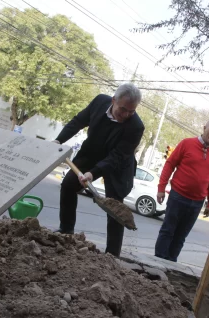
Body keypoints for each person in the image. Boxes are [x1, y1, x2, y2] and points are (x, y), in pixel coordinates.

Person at [53, 83, 144, 257]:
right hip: (92, 153)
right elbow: (78, 121)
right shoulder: (99, 102)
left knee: (114, 207)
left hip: (118, 165)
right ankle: (66, 231)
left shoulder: (136, 127)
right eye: (123, 109)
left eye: (131, 112)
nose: (125, 115)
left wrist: (93, 173)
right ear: (113, 100)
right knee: (68, 185)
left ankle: (112, 254)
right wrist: (59, 140)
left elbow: (118, 156)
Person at [155, 119, 209, 262]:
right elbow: (170, 164)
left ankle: (170, 265)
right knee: (168, 231)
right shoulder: (186, 143)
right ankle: (156, 263)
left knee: (181, 236)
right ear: (204, 128)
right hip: (177, 196)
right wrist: (161, 188)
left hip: (197, 202)